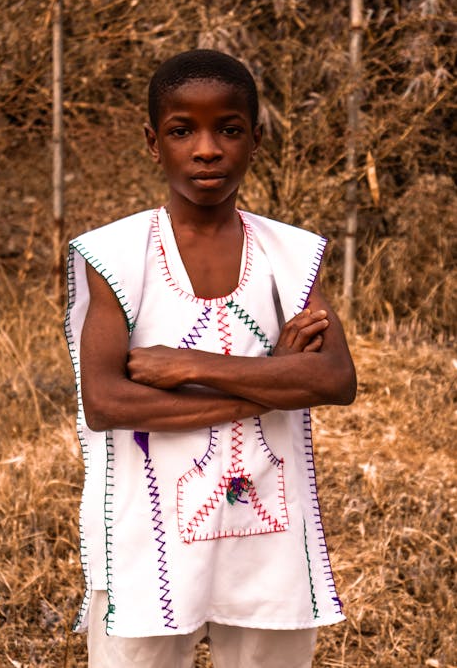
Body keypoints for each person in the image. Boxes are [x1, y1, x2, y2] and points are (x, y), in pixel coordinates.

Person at [65, 49, 356, 668]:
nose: (206, 149)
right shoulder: (115, 256)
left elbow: (332, 378)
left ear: (257, 138)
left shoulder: (290, 254)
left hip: (269, 529)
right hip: (148, 535)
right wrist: (274, 380)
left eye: (228, 129)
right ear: (153, 142)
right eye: (182, 130)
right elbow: (108, 402)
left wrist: (187, 364)